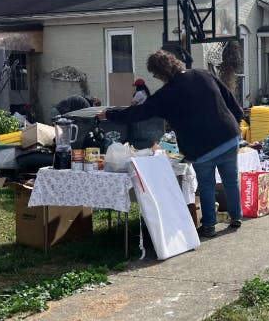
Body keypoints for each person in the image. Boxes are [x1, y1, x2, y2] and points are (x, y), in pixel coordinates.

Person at [98, 50, 244, 238]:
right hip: (228, 136)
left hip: (201, 147)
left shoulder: (165, 95)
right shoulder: (203, 74)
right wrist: (237, 120)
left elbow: (138, 113)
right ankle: (236, 216)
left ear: (160, 74)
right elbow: (229, 97)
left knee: (206, 185)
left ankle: (209, 225)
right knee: (231, 180)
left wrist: (109, 114)